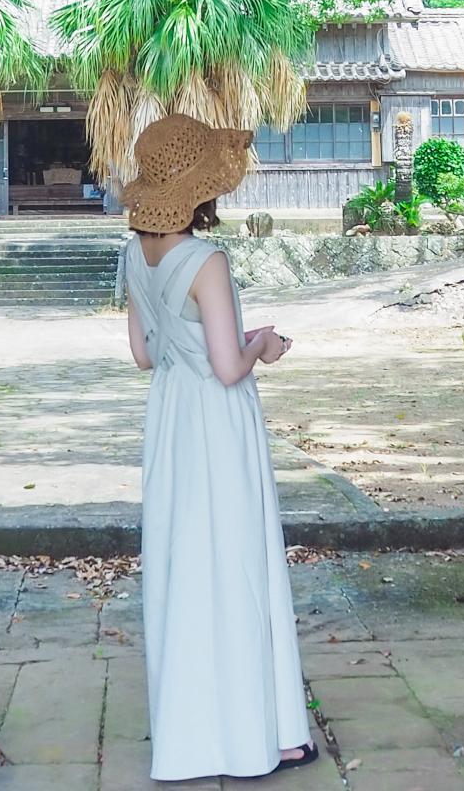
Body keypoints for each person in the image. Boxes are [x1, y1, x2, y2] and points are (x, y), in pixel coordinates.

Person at [121, 114, 318, 781]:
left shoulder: (133, 254)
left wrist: (227, 345)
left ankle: (195, 732)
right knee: (235, 560)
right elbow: (230, 368)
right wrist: (266, 343)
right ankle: (262, 733)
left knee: (187, 562)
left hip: (171, 417)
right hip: (217, 421)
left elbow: (144, 355)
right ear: (200, 190)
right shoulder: (205, 260)